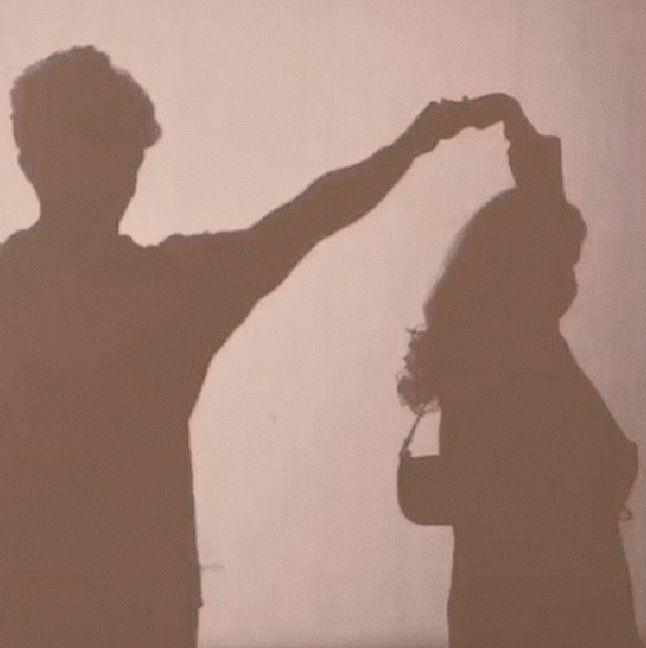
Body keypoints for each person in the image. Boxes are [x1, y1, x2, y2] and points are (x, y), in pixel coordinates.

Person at [0, 46, 510, 647]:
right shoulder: (174, 291)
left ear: (28, 160)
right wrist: (418, 140)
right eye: (113, 148)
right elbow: (311, 216)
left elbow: (311, 215)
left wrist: (416, 141)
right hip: (138, 608)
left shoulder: (162, 288)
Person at [398, 98, 642, 647]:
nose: (570, 278)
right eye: (563, 260)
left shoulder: (491, 346)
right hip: (557, 601)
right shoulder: (520, 352)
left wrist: (513, 119)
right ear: (523, 266)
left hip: (505, 599)